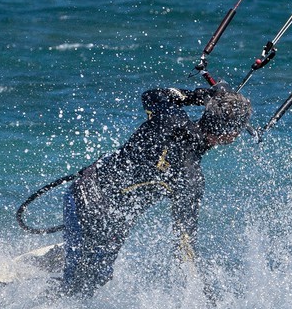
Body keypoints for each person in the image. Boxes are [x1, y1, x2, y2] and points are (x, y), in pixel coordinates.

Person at [59, 83, 252, 297]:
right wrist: (200, 286)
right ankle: (69, 262)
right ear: (229, 136)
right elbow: (185, 240)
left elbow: (152, 95)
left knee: (96, 277)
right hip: (95, 209)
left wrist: (198, 95)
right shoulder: (189, 178)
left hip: (89, 195)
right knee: (78, 290)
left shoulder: (170, 117)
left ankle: (71, 253)